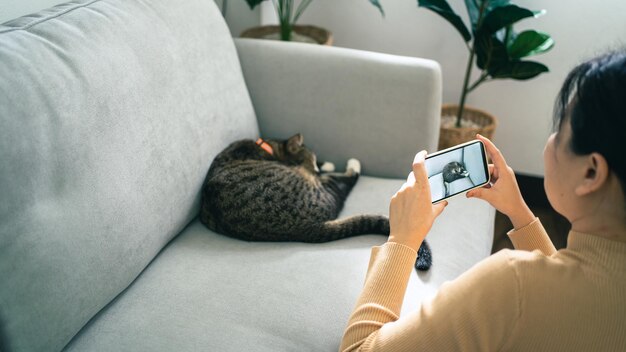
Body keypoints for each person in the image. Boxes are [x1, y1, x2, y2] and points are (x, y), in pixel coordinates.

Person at [339, 51, 626, 351]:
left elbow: (358, 348)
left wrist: (402, 239)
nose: (552, 139)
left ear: (591, 172)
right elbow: (570, 304)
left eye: (560, 128)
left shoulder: (511, 286)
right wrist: (519, 213)